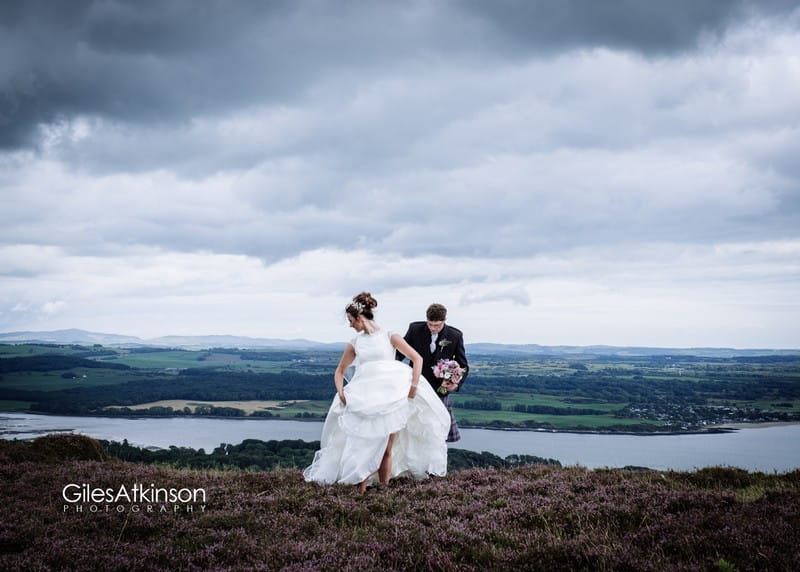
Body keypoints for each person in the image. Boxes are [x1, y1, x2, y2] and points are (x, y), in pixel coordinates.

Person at [303, 292, 450, 492]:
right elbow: (339, 371)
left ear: (360, 317)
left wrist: (413, 386)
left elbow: (417, 359)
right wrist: (342, 393)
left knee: (387, 447)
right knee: (363, 444)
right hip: (364, 396)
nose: (350, 324)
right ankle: (359, 490)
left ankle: (383, 489)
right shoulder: (355, 342)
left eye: (351, 320)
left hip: (390, 395)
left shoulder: (390, 336)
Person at [400, 303, 468, 442]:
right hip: (417, 387)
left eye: (437, 325)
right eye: (430, 324)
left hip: (439, 390)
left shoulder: (455, 335)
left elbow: (463, 365)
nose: (433, 328)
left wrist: (456, 383)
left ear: (444, 320)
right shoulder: (415, 329)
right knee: (414, 430)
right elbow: (400, 353)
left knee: (438, 432)